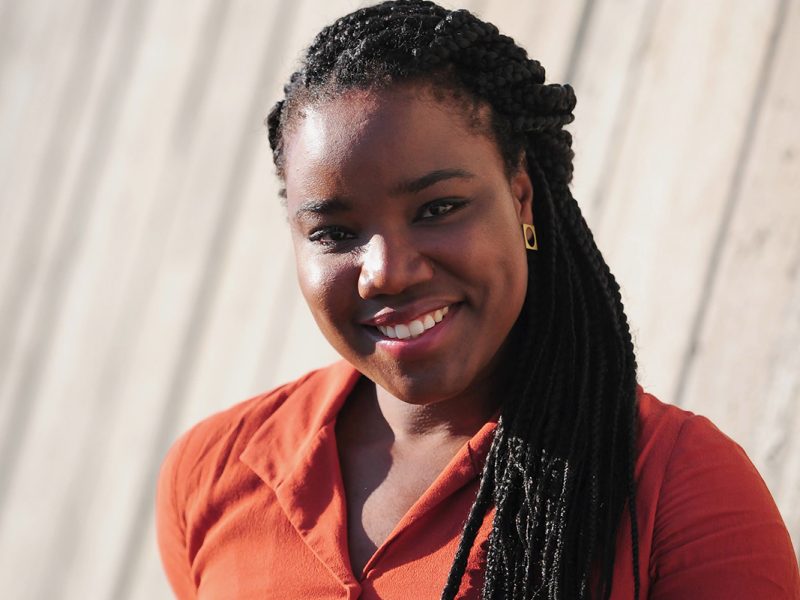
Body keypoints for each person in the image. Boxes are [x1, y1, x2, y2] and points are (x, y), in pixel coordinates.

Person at [155, 1, 800, 598]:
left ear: (521, 199)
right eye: (335, 233)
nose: (386, 273)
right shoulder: (213, 472)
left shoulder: (676, 489)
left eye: (438, 208)